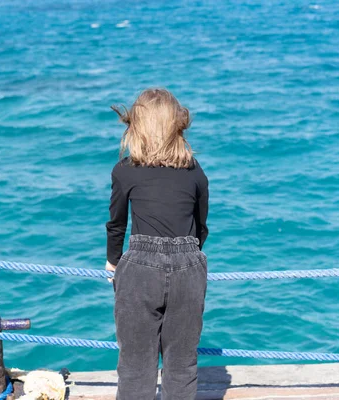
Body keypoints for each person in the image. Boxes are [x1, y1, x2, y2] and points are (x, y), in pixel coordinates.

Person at [105, 88, 209, 400]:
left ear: (135, 127)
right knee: (181, 364)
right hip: (188, 264)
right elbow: (201, 227)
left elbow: (117, 225)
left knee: (136, 366)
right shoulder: (194, 173)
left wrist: (113, 261)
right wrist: (187, 259)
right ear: (177, 126)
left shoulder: (125, 170)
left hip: (140, 268)